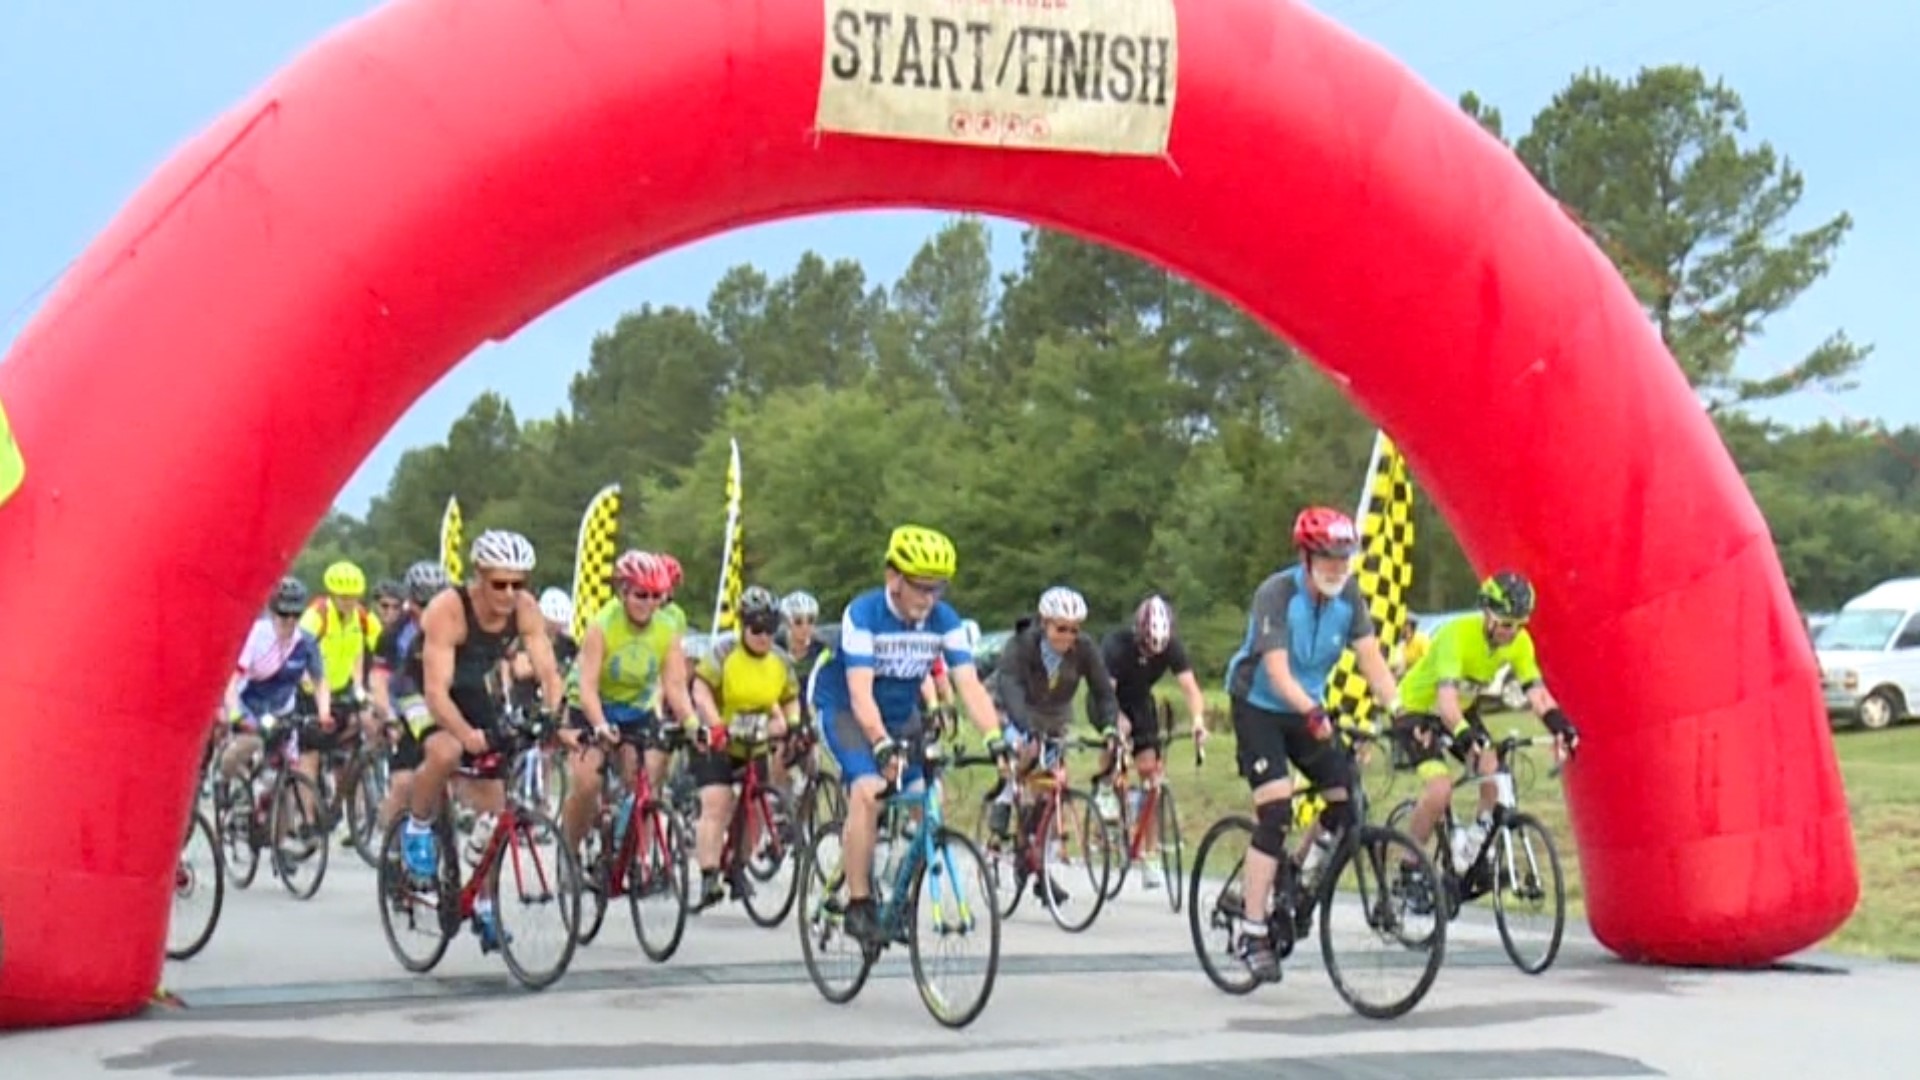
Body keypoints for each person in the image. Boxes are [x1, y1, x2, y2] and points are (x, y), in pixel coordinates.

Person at [1221, 506, 1398, 984]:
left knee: (1347, 802)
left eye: (1345, 559)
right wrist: (1313, 712)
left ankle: (1294, 874)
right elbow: (1276, 672)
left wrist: (1400, 711)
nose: (1338, 569)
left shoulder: (1350, 598)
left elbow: (1371, 661)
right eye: (1328, 559)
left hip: (1307, 707)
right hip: (1260, 704)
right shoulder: (1276, 594)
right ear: (1306, 556)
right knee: (1276, 811)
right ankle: (1251, 930)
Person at [810, 524, 1009, 947]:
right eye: (920, 587)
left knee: (926, 805)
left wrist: (995, 738)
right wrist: (879, 745)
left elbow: (969, 685)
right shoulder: (863, 615)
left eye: (938, 589)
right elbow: (861, 695)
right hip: (845, 707)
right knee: (868, 791)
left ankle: (898, 895)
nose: (929, 598)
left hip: (901, 713)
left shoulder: (943, 620)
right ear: (893, 578)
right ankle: (859, 904)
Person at [401, 530, 567, 954]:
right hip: (421, 685)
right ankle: (417, 829)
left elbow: (548, 672)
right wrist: (465, 733)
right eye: (499, 583)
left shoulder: (524, 609)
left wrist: (554, 718)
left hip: (472, 686)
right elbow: (436, 693)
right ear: (479, 576)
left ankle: (486, 903)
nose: (509, 593)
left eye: (518, 583)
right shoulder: (447, 609)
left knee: (495, 805)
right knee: (447, 750)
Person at [1393, 572, 1579, 868]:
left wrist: (1560, 725)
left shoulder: (1519, 643)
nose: (1512, 632)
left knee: (1493, 771)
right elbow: (1446, 703)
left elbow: (1537, 693)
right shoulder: (1456, 635)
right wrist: (1466, 735)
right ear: (1487, 614)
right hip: (1415, 710)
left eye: (1519, 625)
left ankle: (1474, 848)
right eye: (1506, 623)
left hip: (1460, 710)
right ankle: (1409, 865)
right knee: (1440, 788)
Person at [986, 585, 1117, 903]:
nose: (1068, 636)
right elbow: (1011, 685)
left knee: (1050, 785)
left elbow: (1102, 690)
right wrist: (1024, 729)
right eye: (1061, 629)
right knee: (1026, 754)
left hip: (1054, 714)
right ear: (1044, 623)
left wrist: (1110, 727)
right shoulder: (1021, 644)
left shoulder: (1083, 649)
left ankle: (1034, 858)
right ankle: (1004, 798)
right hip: (1011, 706)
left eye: (1074, 630)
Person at [560, 551, 693, 855]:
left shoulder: (667, 628)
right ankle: (570, 848)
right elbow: (588, 686)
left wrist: (693, 724)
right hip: (591, 706)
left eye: (656, 596)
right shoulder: (603, 625)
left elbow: (674, 684)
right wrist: (600, 725)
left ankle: (628, 848)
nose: (648, 603)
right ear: (623, 591)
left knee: (644, 780)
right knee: (587, 784)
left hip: (635, 708)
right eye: (640, 595)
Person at [687, 585, 798, 910]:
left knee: (757, 805)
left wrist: (792, 724)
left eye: (770, 629)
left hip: (755, 740)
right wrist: (713, 723)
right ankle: (709, 875)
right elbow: (701, 688)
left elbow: (790, 699)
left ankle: (738, 864)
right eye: (757, 629)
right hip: (719, 739)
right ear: (743, 625)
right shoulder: (725, 651)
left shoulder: (780, 660)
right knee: (718, 803)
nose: (764, 636)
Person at [1095, 593, 1211, 888]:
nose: (1153, 650)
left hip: (1139, 700)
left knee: (1151, 772)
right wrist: (1116, 720)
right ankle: (1106, 787)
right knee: (1116, 736)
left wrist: (1198, 721)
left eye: (1158, 647)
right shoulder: (1117, 645)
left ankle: (1150, 854)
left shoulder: (1172, 646)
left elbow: (1190, 689)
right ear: (1139, 634)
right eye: (1148, 645)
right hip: (1107, 698)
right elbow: (1106, 694)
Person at [218, 577, 332, 788]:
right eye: (283, 614)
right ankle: (223, 780)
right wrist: (235, 714)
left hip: (281, 710)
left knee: (288, 777)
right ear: (272, 613)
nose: (290, 621)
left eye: (296, 615)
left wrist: (324, 713)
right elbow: (232, 680)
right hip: (247, 703)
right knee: (250, 742)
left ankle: (274, 811)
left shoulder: (305, 643)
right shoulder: (256, 635)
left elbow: (320, 682)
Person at [371, 560, 448, 833]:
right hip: (403, 704)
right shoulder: (394, 633)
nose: (428, 611)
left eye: (435, 603)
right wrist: (388, 716)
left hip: (441, 702)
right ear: (411, 601)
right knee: (404, 783)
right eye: (422, 604)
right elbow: (380, 679)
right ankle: (391, 843)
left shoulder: (455, 624)